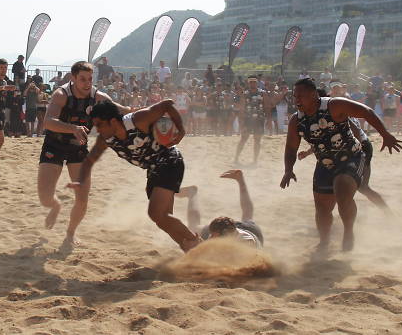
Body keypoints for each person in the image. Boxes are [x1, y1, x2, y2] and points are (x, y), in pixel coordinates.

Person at [280, 78, 402, 252]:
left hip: (351, 156)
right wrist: (288, 170)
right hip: (324, 162)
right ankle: (324, 241)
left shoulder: (334, 105)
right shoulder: (296, 121)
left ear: (314, 95)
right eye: (295, 96)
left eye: (301, 95)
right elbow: (291, 147)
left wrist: (385, 134)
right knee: (322, 208)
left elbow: (366, 111)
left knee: (343, 192)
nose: (297, 99)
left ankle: (348, 232)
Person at [68, 99, 202, 252]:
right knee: (162, 219)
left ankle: (195, 241)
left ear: (112, 121)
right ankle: (191, 250)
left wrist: (181, 129)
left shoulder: (138, 120)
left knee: (156, 213)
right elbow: (89, 161)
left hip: (170, 161)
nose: (97, 129)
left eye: (99, 124)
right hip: (153, 170)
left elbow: (167, 105)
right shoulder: (106, 139)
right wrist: (79, 181)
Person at [37, 62, 130, 245]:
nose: (87, 83)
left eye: (90, 79)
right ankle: (56, 207)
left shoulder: (98, 97)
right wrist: (72, 128)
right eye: (82, 79)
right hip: (54, 145)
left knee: (82, 197)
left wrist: (148, 113)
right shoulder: (61, 95)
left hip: (78, 148)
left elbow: (122, 111)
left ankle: (70, 233)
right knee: (45, 197)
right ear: (73, 78)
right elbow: (48, 122)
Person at [177, 170, 263, 248]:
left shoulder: (246, 244)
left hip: (251, 232)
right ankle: (192, 193)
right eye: (211, 235)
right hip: (234, 229)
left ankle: (192, 193)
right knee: (194, 227)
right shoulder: (221, 235)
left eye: (213, 235)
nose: (210, 238)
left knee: (247, 214)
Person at [234, 76, 265, 164]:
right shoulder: (245, 94)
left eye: (254, 82)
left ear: (257, 83)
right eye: (251, 82)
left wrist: (268, 118)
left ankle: (255, 160)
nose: (253, 84)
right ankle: (236, 158)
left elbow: (265, 106)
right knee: (244, 139)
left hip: (259, 119)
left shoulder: (262, 93)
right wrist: (241, 122)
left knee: (257, 140)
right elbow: (242, 109)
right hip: (248, 119)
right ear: (248, 83)